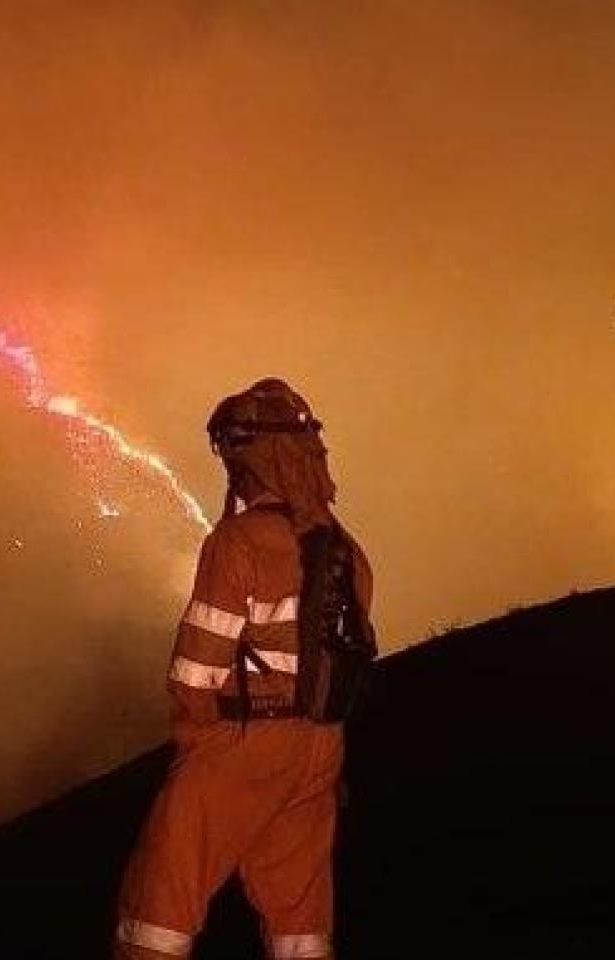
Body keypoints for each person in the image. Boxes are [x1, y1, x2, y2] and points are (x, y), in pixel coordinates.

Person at [115, 378, 373, 960]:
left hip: (241, 741)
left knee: (160, 901)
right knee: (300, 920)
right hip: (320, 747)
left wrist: (198, 743)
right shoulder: (346, 548)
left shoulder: (238, 542)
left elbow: (196, 670)